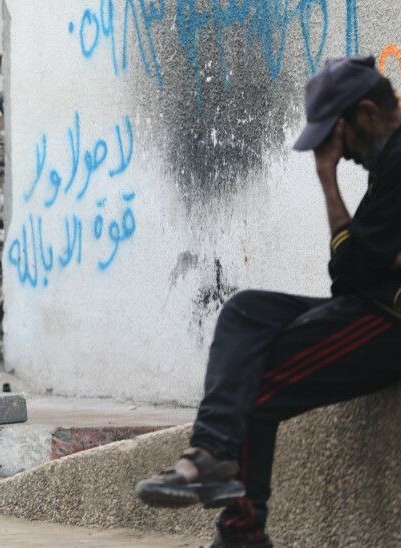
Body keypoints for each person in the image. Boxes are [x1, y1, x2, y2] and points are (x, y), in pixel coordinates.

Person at [135, 56, 401, 548]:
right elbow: (353, 274)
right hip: (374, 304)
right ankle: (209, 455)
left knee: (256, 384)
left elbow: (351, 280)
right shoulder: (388, 164)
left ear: (366, 113)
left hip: (390, 317)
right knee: (246, 309)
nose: (341, 157)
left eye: (338, 142)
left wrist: (326, 181)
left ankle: (240, 533)